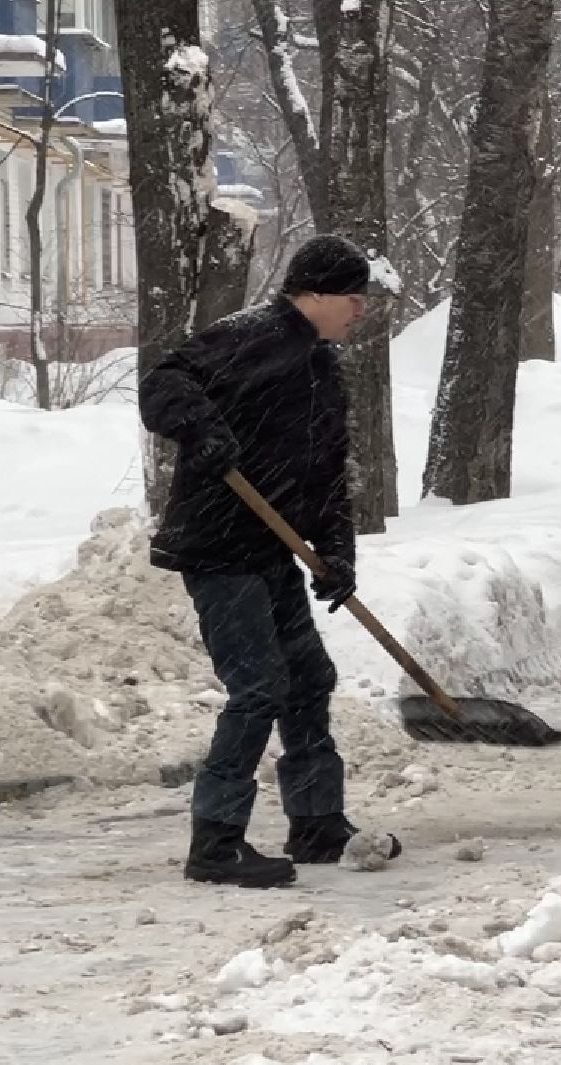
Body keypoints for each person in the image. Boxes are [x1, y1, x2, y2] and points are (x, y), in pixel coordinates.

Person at [139, 234, 399, 888]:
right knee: (258, 688)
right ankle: (216, 842)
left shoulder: (322, 368)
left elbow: (328, 474)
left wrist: (335, 553)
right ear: (315, 293)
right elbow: (163, 383)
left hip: (269, 548)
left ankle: (316, 822)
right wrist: (203, 429)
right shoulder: (248, 335)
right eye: (352, 296)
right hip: (218, 545)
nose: (360, 309)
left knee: (308, 678)